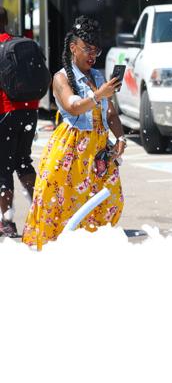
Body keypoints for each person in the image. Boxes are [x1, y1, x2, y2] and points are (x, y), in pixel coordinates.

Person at [22, 16, 126, 247]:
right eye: (87, 49)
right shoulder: (60, 78)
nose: (92, 55)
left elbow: (110, 114)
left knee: (110, 201)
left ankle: (91, 248)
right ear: (73, 48)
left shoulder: (97, 76)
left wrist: (119, 137)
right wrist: (100, 94)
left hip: (99, 151)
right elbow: (73, 106)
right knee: (63, 204)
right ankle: (62, 254)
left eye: (96, 50)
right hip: (71, 150)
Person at [0, 6, 40, 237]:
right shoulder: (21, 44)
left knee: (3, 168)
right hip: (29, 110)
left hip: (4, 112)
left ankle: (6, 222)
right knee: (23, 161)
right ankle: (42, 212)